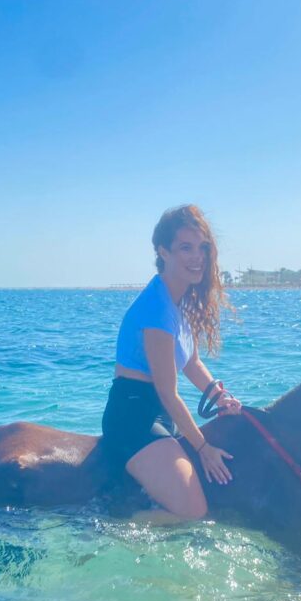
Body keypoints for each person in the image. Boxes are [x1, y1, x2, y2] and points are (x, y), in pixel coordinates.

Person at [102, 205, 241, 523]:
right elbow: (168, 392)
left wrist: (220, 396)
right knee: (193, 511)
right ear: (163, 252)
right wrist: (203, 447)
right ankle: (114, 529)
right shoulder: (157, 310)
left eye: (202, 247)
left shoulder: (176, 302)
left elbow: (191, 362)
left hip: (158, 414)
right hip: (133, 416)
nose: (197, 257)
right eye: (185, 248)